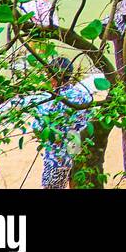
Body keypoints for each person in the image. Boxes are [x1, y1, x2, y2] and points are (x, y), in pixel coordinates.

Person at [32, 57, 93, 188]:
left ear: (52, 76)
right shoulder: (84, 96)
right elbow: (90, 121)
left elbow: (37, 129)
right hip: (78, 150)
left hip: (57, 158)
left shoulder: (48, 104)